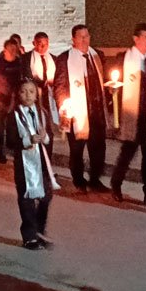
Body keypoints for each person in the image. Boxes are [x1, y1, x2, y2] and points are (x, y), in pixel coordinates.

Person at [110, 23, 146, 207]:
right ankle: (116, 184)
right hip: (132, 115)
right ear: (136, 39)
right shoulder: (124, 58)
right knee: (127, 154)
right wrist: (112, 91)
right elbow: (113, 81)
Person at [53, 24, 110, 193]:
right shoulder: (65, 58)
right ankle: (79, 180)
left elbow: (102, 80)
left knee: (98, 148)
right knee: (77, 149)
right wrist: (63, 105)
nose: (85, 40)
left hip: (97, 111)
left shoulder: (96, 55)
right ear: (74, 39)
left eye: (87, 36)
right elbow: (60, 85)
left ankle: (95, 179)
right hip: (78, 111)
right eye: (81, 37)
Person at [6, 79, 56, 250]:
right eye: (23, 91)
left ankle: (39, 230)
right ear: (18, 94)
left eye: (31, 91)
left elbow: (49, 137)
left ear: (37, 95)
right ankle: (29, 235)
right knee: (26, 198)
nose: (28, 95)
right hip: (24, 163)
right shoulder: (13, 115)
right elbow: (11, 141)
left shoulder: (42, 113)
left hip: (41, 162)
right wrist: (28, 140)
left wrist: (45, 137)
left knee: (46, 196)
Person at [20, 33, 59, 152]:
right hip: (33, 99)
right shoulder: (26, 59)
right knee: (35, 127)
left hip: (49, 97)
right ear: (34, 43)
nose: (43, 47)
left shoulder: (54, 59)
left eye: (45, 44)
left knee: (48, 129)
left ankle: (48, 160)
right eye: (39, 44)